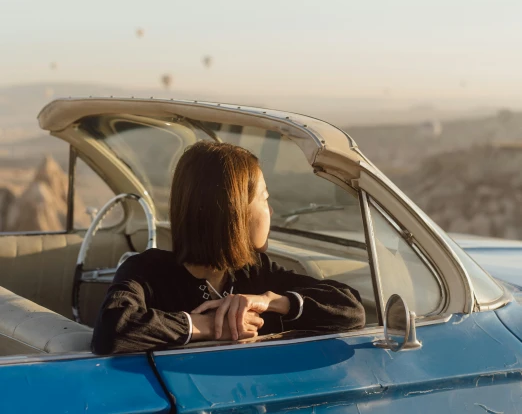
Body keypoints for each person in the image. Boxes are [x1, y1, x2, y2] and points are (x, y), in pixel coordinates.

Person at [91, 141, 365, 354]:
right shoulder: (146, 271)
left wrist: (273, 301)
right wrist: (210, 326)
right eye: (264, 198)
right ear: (234, 212)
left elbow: (351, 309)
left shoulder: (256, 272)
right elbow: (111, 331)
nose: (270, 209)